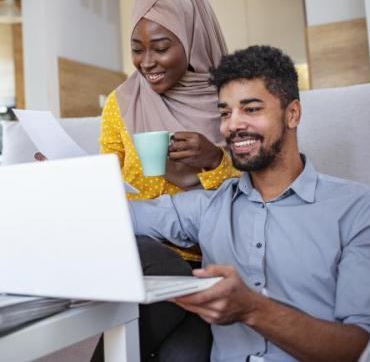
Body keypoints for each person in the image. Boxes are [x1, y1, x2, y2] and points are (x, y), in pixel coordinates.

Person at [129, 45, 370, 362]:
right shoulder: (209, 207)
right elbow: (118, 216)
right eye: (225, 112)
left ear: (292, 114)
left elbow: (354, 347)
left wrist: (252, 308)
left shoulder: (355, 208)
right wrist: (65, 180)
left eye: (251, 109)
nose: (232, 126)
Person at [97, 0, 239, 361]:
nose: (147, 62)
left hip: (206, 259)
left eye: (161, 47)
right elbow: (107, 183)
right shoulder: (121, 103)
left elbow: (261, 190)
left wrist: (214, 160)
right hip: (138, 252)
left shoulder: (231, 101)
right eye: (137, 48)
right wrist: (70, 178)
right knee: (150, 257)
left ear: (191, 41)